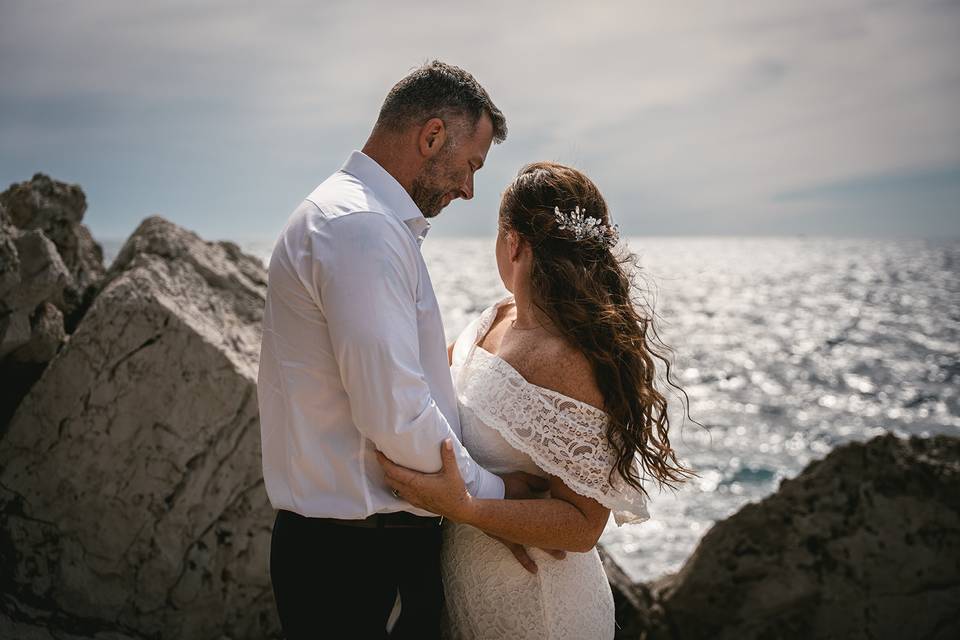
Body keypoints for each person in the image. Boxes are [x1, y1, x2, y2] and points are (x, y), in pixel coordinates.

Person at [257, 61, 551, 639]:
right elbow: (395, 411)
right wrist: (495, 500)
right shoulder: (360, 227)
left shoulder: (351, 218)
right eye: (470, 165)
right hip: (359, 561)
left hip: (350, 549)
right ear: (432, 135)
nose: (469, 189)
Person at [378, 162, 695, 639]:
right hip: (471, 590)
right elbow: (427, 386)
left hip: (542, 607)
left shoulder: (571, 358)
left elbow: (584, 525)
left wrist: (467, 508)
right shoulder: (494, 317)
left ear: (513, 243)